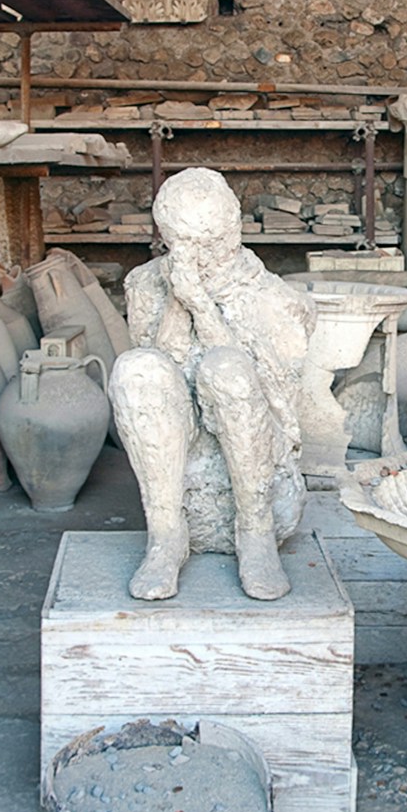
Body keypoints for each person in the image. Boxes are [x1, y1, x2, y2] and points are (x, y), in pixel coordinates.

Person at [109, 167, 316, 600]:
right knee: (136, 368)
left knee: (226, 369)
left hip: (253, 443)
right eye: (180, 245)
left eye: (206, 245)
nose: (195, 257)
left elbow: (273, 394)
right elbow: (161, 373)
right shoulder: (146, 284)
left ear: (232, 233)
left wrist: (201, 305)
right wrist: (177, 301)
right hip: (187, 443)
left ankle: (254, 532)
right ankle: (166, 535)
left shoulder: (274, 298)